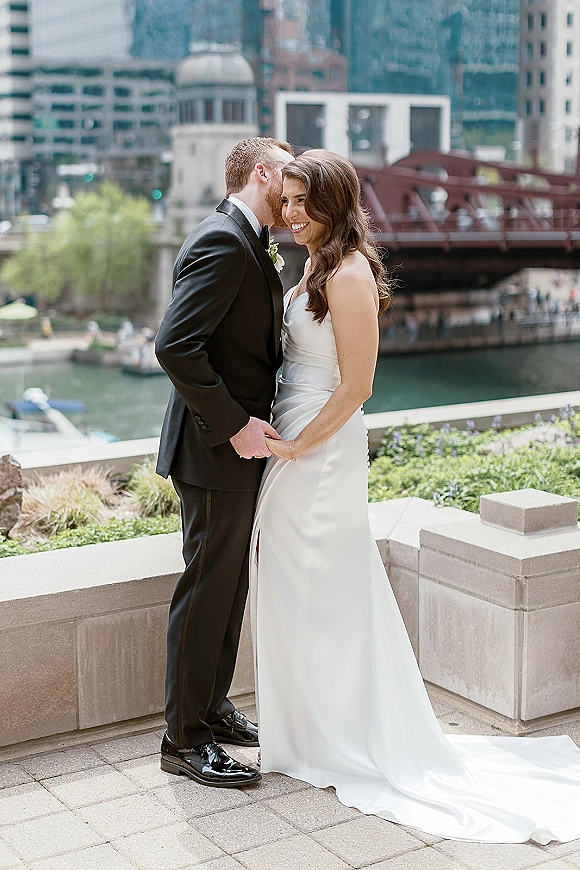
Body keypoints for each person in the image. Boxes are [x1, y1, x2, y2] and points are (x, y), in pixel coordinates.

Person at [250, 149, 580, 842]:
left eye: (304, 201)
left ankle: (336, 732)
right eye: (286, 200)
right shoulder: (310, 262)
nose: (291, 213)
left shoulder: (347, 273)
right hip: (293, 434)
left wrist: (298, 446)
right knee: (295, 586)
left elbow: (359, 386)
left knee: (326, 588)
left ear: (336, 203)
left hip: (320, 450)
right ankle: (310, 727)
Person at [155, 136, 294, 788]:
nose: (295, 189)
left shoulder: (244, 238)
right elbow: (176, 346)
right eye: (287, 173)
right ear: (261, 171)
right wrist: (236, 426)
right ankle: (183, 742)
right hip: (214, 449)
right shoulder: (223, 239)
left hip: (234, 449)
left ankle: (210, 709)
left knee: (227, 587)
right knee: (206, 589)